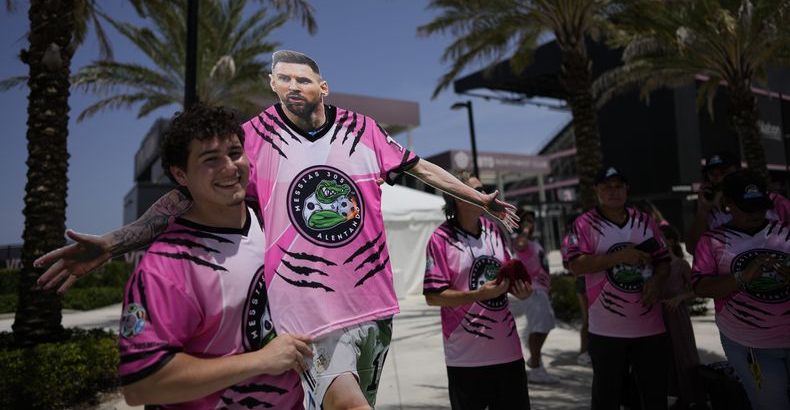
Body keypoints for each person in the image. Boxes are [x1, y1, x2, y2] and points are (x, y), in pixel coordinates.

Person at [35, 50, 519, 410]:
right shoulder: (251, 141)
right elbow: (183, 198)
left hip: (373, 305)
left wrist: (479, 199)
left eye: (302, 79)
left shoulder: (362, 129)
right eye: (282, 78)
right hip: (310, 311)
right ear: (271, 84)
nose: (292, 85)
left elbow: (419, 168)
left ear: (323, 87)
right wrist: (116, 241)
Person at [118, 104, 312, 408]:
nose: (229, 168)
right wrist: (260, 361)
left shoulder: (271, 217)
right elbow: (142, 384)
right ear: (180, 174)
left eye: (235, 153)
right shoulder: (167, 267)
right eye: (210, 160)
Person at [423, 172, 533, 410]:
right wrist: (477, 295)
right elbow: (433, 296)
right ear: (459, 197)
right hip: (466, 359)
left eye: (484, 189)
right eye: (478, 190)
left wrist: (520, 292)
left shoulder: (495, 231)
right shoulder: (440, 239)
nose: (486, 195)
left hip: (509, 354)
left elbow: (505, 278)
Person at [565, 167, 671, 410]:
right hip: (607, 330)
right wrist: (619, 257)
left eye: (619, 186)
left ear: (627, 189)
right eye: (607, 186)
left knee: (654, 396)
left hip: (650, 328)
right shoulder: (584, 224)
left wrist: (657, 282)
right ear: (596, 191)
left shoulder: (645, 221)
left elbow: (664, 261)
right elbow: (576, 265)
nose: (614, 191)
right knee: (606, 397)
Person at [691, 170, 790, 410]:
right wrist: (741, 277)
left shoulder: (786, 232)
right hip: (749, 344)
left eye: (760, 206)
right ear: (727, 204)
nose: (756, 213)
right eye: (748, 207)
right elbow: (701, 287)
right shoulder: (712, 241)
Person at [686, 151, 790, 254]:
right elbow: (694, 250)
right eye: (712, 174)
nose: (718, 179)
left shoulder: (775, 202)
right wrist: (702, 211)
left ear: (739, 170)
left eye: (724, 172)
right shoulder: (711, 212)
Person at [659, 223, 706, 410]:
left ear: (670, 241)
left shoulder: (681, 264)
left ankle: (690, 396)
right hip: (655, 317)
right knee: (662, 357)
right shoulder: (651, 266)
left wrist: (679, 298)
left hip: (676, 315)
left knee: (683, 354)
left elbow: (698, 289)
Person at [511, 210, 559, 384]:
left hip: (542, 291)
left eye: (532, 221)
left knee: (545, 325)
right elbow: (520, 244)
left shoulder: (534, 242)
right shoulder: (521, 240)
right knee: (538, 328)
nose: (530, 223)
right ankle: (536, 368)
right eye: (526, 221)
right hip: (533, 291)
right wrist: (524, 230)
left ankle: (535, 361)